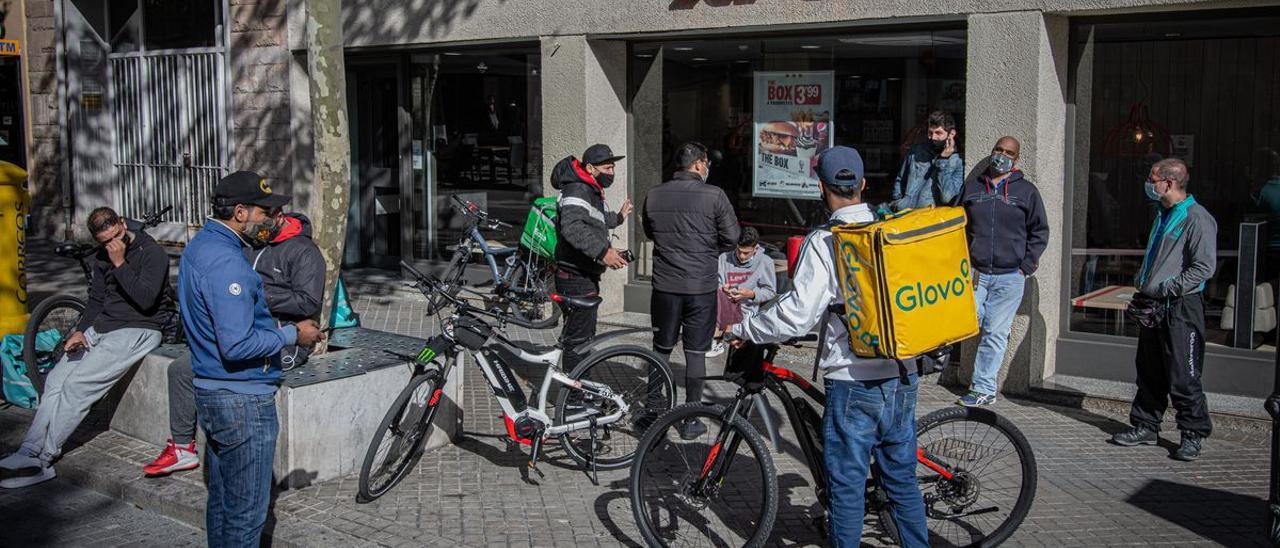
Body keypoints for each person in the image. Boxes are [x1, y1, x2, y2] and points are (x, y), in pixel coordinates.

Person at [726, 146, 927, 546]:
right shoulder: (893, 230)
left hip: (853, 380)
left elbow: (799, 314)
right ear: (864, 185)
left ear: (821, 187)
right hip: (904, 372)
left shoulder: (826, 240)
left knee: (847, 489)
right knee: (902, 481)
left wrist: (749, 326)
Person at [180, 171, 324, 546]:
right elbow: (237, 345)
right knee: (246, 514)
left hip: (214, 390)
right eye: (265, 211)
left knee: (224, 502)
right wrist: (294, 334)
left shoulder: (201, 246)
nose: (270, 220)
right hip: (241, 399)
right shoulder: (227, 262)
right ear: (240, 212)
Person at [142, 209, 325, 477]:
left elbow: (308, 301)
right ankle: (182, 447)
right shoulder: (249, 245)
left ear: (280, 217)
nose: (257, 224)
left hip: (283, 340)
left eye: (263, 217)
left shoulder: (304, 251)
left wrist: (257, 293)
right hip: (242, 333)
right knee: (181, 368)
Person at [0, 208, 170, 488]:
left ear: (123, 224)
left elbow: (146, 299)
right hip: (103, 326)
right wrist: (80, 331)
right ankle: (29, 450)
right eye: (105, 242)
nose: (112, 245)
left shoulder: (152, 253)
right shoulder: (103, 255)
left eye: (116, 236)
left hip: (138, 328)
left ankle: (45, 457)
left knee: (77, 385)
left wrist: (119, 263)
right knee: (55, 380)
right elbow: (96, 300)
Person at [1111, 158, 1216, 462]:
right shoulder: (1163, 213)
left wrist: (1166, 288)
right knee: (1149, 368)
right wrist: (1143, 281)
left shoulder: (1196, 218)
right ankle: (1146, 425)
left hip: (1181, 306)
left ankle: (1192, 433)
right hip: (1154, 305)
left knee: (1184, 374)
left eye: (1152, 179)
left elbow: (1203, 268)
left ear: (1168, 183)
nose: (1148, 183)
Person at [642, 141, 740, 438]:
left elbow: (651, 232)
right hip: (700, 286)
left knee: (661, 348)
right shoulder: (715, 196)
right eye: (706, 162)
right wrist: (709, 250)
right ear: (698, 164)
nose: (707, 167)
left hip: (665, 286)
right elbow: (732, 238)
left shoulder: (654, 194)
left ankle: (652, 409)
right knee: (696, 352)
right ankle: (689, 419)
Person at [955, 137, 1049, 406]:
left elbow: (1039, 231)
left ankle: (983, 389)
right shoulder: (972, 187)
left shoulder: (1027, 192)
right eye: (999, 150)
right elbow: (956, 222)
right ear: (992, 151)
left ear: (1016, 159)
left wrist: (1026, 265)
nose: (1002, 156)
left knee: (995, 332)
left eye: (1009, 153)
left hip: (1010, 276)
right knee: (967, 321)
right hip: (976, 273)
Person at [551, 144, 632, 371]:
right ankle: (574, 398)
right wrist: (604, 253)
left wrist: (618, 217)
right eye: (607, 167)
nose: (611, 172)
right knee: (578, 341)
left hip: (583, 274)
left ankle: (577, 386)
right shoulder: (578, 189)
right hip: (575, 276)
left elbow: (594, 218)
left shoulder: (589, 189)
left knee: (582, 336)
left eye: (613, 167)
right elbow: (573, 227)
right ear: (590, 167)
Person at [708, 227, 776, 358]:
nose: (741, 256)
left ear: (755, 249)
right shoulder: (724, 258)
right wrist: (725, 288)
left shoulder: (765, 262)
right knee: (714, 294)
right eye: (739, 251)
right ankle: (719, 338)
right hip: (724, 304)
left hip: (746, 309)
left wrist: (750, 294)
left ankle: (720, 338)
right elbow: (716, 283)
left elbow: (770, 291)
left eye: (746, 253)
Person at [889, 110, 964, 212]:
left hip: (929, 221)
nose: (933, 137)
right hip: (905, 215)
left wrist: (943, 161)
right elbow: (900, 179)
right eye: (930, 132)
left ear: (951, 134)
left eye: (938, 133)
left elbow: (948, 198)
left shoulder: (957, 161)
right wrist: (898, 203)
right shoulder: (916, 151)